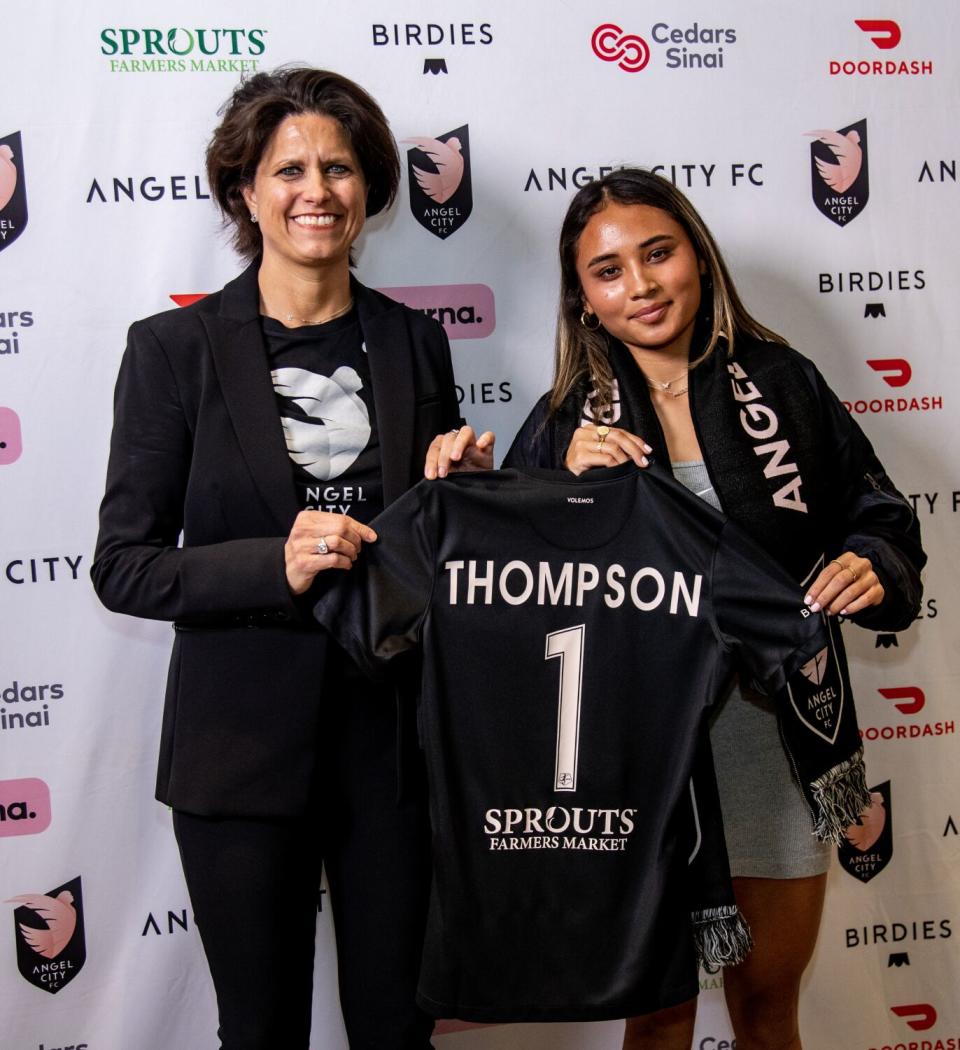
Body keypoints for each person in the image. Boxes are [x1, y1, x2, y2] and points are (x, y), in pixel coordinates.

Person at [91, 67, 491, 1050]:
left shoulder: (413, 343)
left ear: (371, 191)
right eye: (290, 169)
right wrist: (276, 562)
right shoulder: (172, 350)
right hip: (239, 751)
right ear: (245, 191)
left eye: (341, 168)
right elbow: (123, 564)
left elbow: (427, 560)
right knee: (260, 1030)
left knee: (399, 1031)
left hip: (393, 749)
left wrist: (458, 497)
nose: (318, 190)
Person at [500, 168, 924, 1049]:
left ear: (699, 255)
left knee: (769, 1009)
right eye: (609, 269)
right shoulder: (564, 423)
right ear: (582, 298)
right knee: (656, 1018)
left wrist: (871, 559)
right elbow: (508, 592)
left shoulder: (784, 381)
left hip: (777, 740)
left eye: (658, 253)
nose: (642, 285)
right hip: (639, 762)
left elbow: (881, 514)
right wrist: (554, 490)